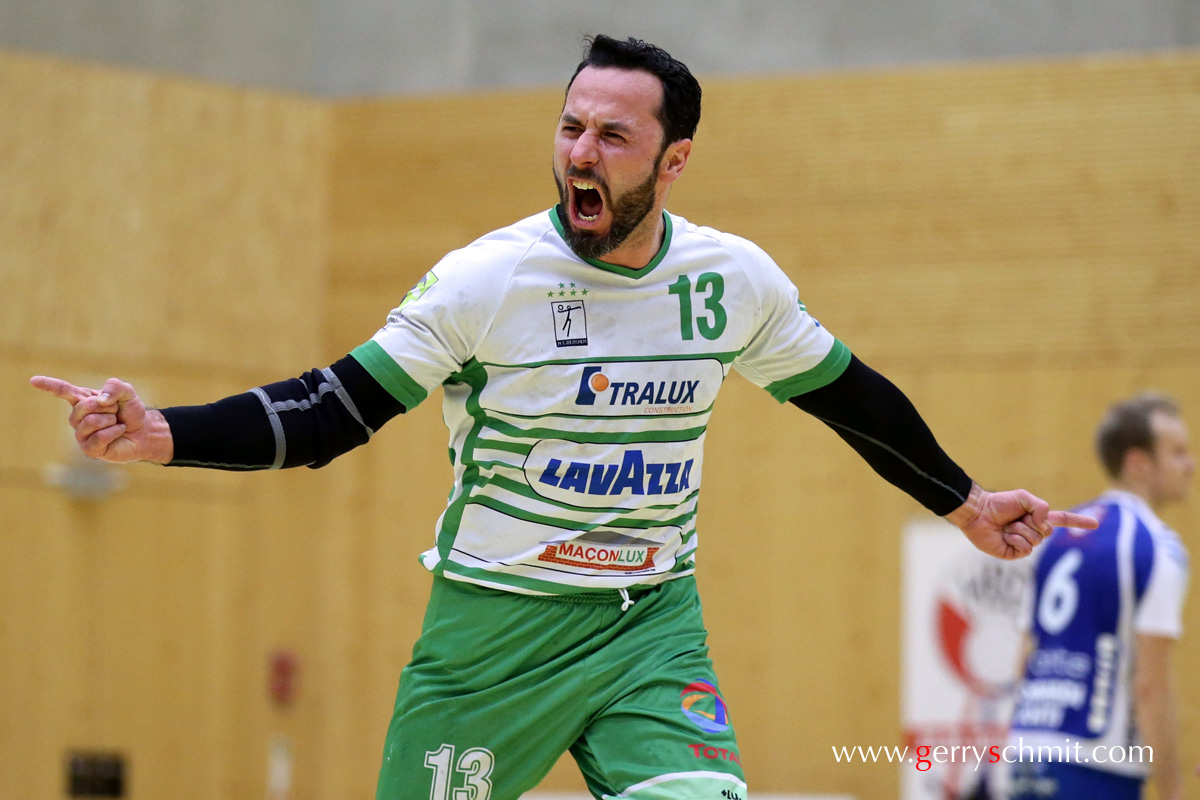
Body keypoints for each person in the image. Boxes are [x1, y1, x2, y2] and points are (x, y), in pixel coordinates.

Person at [32, 35, 1095, 800]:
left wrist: (962, 500)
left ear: (672, 161)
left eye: (613, 135)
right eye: (570, 126)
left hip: (649, 621)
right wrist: (162, 429)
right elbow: (332, 410)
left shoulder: (733, 281)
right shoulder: (486, 279)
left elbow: (848, 396)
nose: (582, 152)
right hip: (490, 627)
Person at [1006, 394, 1193, 800]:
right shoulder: (1157, 546)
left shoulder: (1052, 540)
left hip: (1024, 754)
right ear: (1139, 463)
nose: (1190, 465)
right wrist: (1174, 790)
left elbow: (1024, 658)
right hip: (1097, 765)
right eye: (1177, 453)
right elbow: (1150, 685)